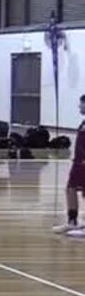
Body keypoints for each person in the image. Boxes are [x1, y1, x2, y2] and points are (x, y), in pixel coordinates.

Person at [51, 95, 85, 236]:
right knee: (70, 189)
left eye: (82, 104)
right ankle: (72, 221)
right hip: (78, 162)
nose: (79, 107)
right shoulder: (83, 122)